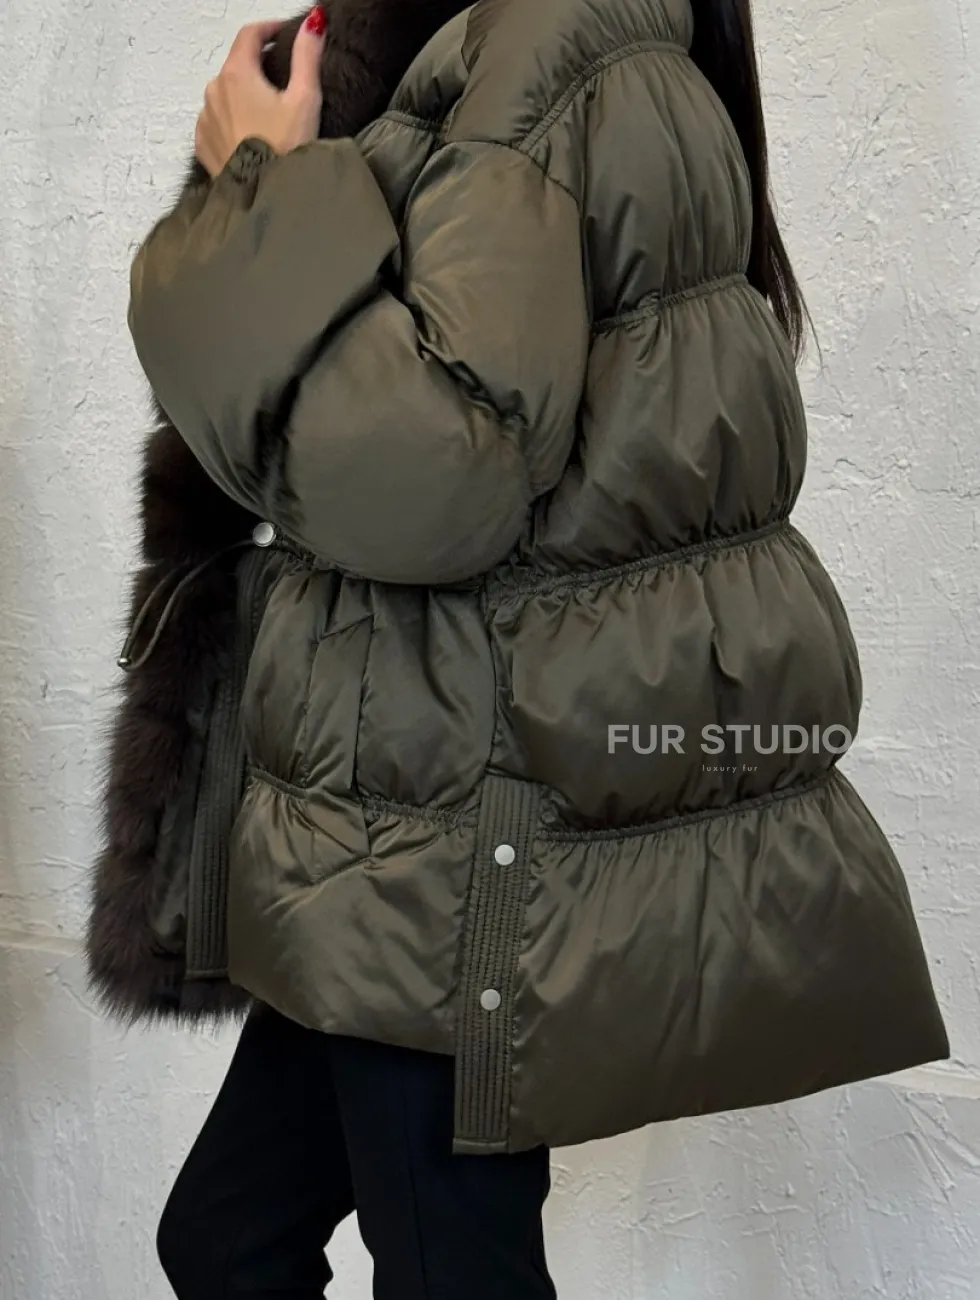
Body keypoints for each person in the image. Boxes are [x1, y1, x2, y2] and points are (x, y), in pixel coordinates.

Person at [103, 0, 949, 1296]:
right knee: (227, 1239)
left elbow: (431, 478)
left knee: (419, 1268)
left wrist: (258, 187)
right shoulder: (536, 48)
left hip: (445, 829)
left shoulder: (545, 51)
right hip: (393, 812)